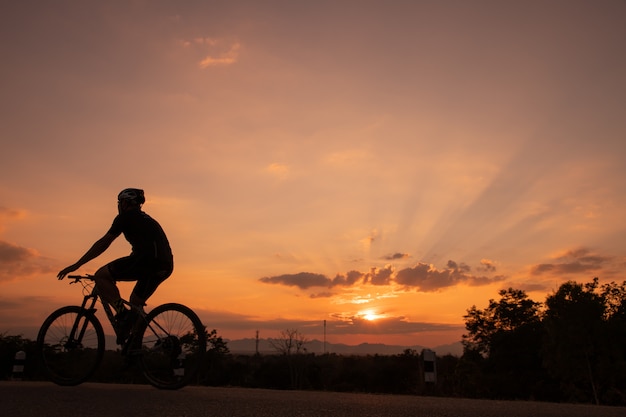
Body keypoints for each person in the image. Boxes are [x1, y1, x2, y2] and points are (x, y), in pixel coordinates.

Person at [57, 188, 174, 343]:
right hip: (164, 265)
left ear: (125, 203)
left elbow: (104, 243)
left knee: (101, 275)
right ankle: (136, 344)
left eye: (120, 202)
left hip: (146, 261)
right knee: (135, 302)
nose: (119, 205)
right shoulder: (147, 219)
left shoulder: (125, 217)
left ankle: (122, 314)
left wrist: (77, 264)